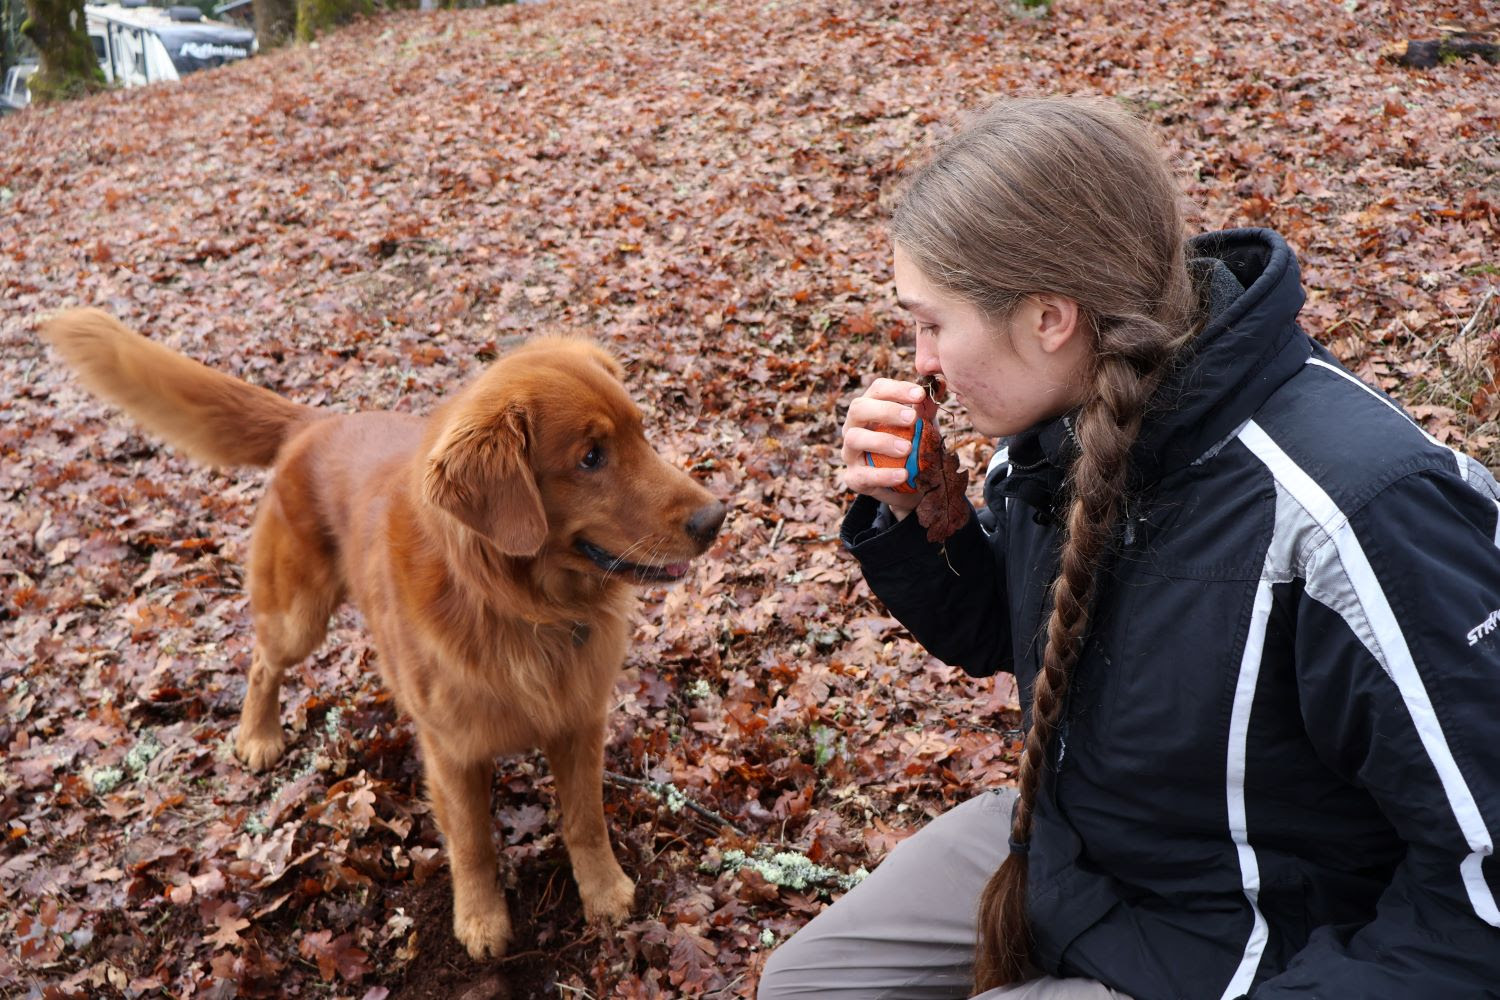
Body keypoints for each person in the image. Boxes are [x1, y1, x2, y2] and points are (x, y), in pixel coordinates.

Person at [757, 96, 1500, 1000]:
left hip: (1241, 944)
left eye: (930, 322)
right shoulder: (1065, 423)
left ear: (1048, 317)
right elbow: (1020, 636)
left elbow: (1481, 890)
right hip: (1070, 846)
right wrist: (925, 521)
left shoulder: (1351, 512)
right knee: (805, 984)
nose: (919, 361)